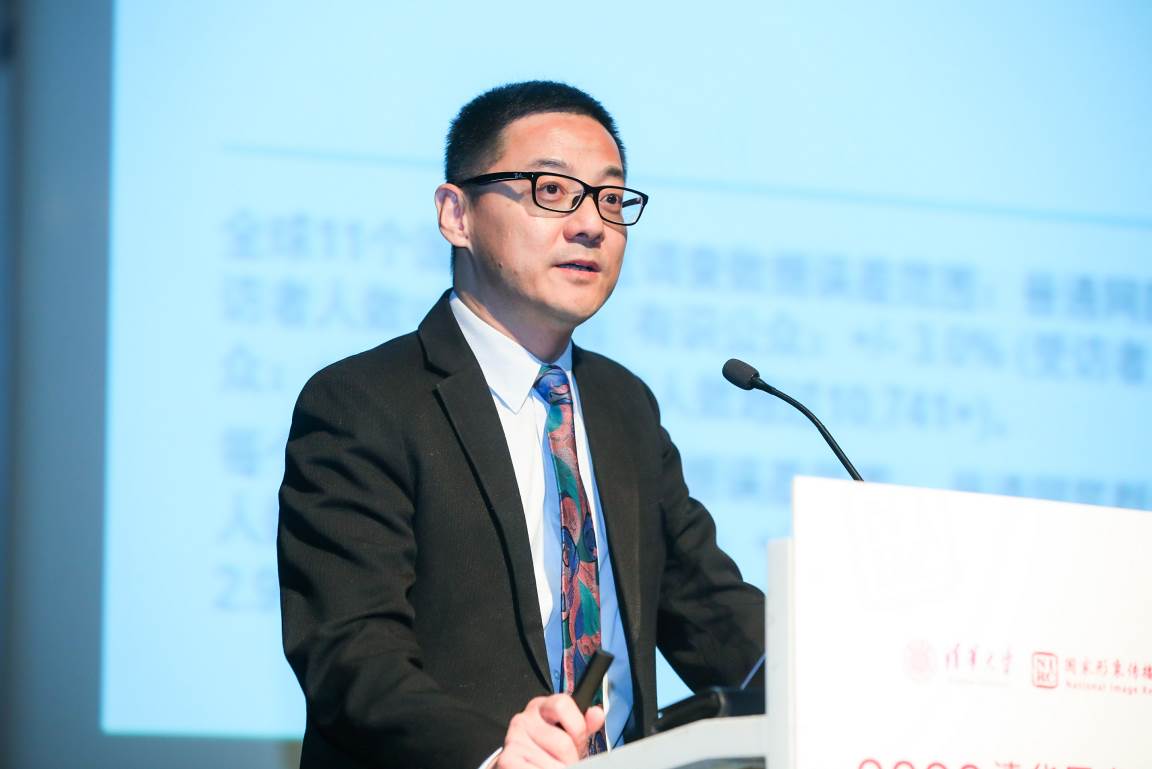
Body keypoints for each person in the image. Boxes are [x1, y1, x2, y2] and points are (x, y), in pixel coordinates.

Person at [278, 81, 764, 769]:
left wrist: (843, 673)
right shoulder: (364, 402)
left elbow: (709, 608)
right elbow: (349, 651)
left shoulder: (624, 404)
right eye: (552, 190)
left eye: (610, 198)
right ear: (456, 214)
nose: (591, 224)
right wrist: (491, 751)